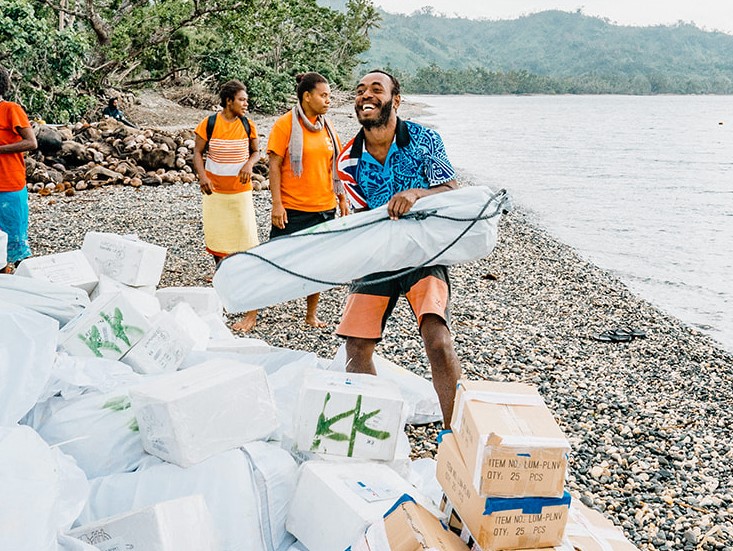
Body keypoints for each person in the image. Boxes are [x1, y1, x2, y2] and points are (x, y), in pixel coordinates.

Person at [335, 69, 461, 424]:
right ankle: (372, 427)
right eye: (360, 90)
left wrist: (416, 194)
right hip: (377, 257)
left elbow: (452, 190)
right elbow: (357, 218)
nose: (366, 96)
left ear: (396, 100)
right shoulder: (347, 159)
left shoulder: (424, 139)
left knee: (437, 340)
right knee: (357, 346)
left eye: (377, 89)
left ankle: (455, 432)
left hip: (423, 253)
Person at [267, 72, 348, 328]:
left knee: (316, 264)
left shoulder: (327, 126)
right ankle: (252, 312)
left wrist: (342, 197)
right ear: (306, 96)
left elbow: (335, 165)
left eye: (329, 96)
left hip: (324, 208)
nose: (328, 101)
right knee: (272, 260)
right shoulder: (286, 125)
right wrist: (277, 204)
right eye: (323, 95)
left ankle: (311, 314)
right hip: (292, 208)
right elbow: (274, 165)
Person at [193, 80, 260, 332]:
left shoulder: (247, 124)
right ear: (229, 101)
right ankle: (223, 291)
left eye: (246, 100)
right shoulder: (209, 123)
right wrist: (203, 176)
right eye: (242, 99)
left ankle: (252, 309)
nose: (246, 103)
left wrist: (249, 165)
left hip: (240, 193)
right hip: (214, 193)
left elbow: (255, 151)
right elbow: (197, 153)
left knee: (248, 244)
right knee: (218, 243)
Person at [0, 66, 37, 273]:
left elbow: (31, 142)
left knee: (16, 242)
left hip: (9, 185)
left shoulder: (10, 109)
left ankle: (29, 287)